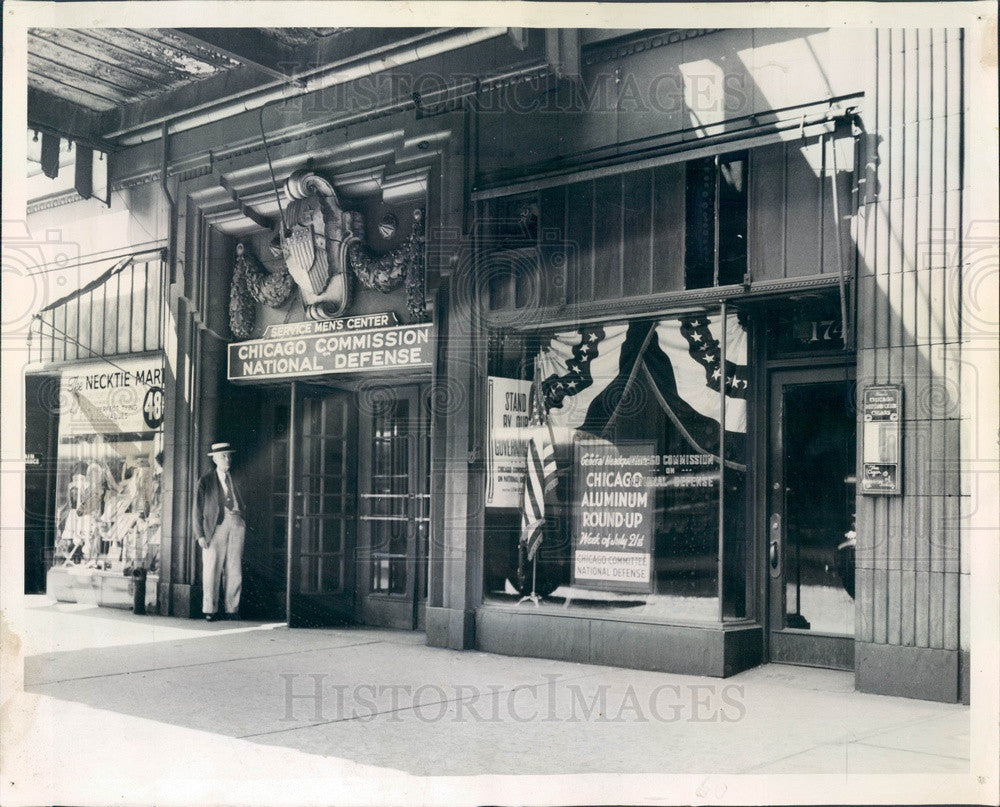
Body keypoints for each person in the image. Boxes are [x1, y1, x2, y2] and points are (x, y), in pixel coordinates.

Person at [192, 442, 245, 621]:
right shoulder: (205, 481)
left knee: (234, 568)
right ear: (214, 459)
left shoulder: (237, 477)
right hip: (215, 527)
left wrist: (244, 519)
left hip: (237, 523)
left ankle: (232, 609)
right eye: (223, 456)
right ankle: (210, 609)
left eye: (229, 455)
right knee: (211, 568)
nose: (227, 459)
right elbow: (197, 510)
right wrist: (200, 535)